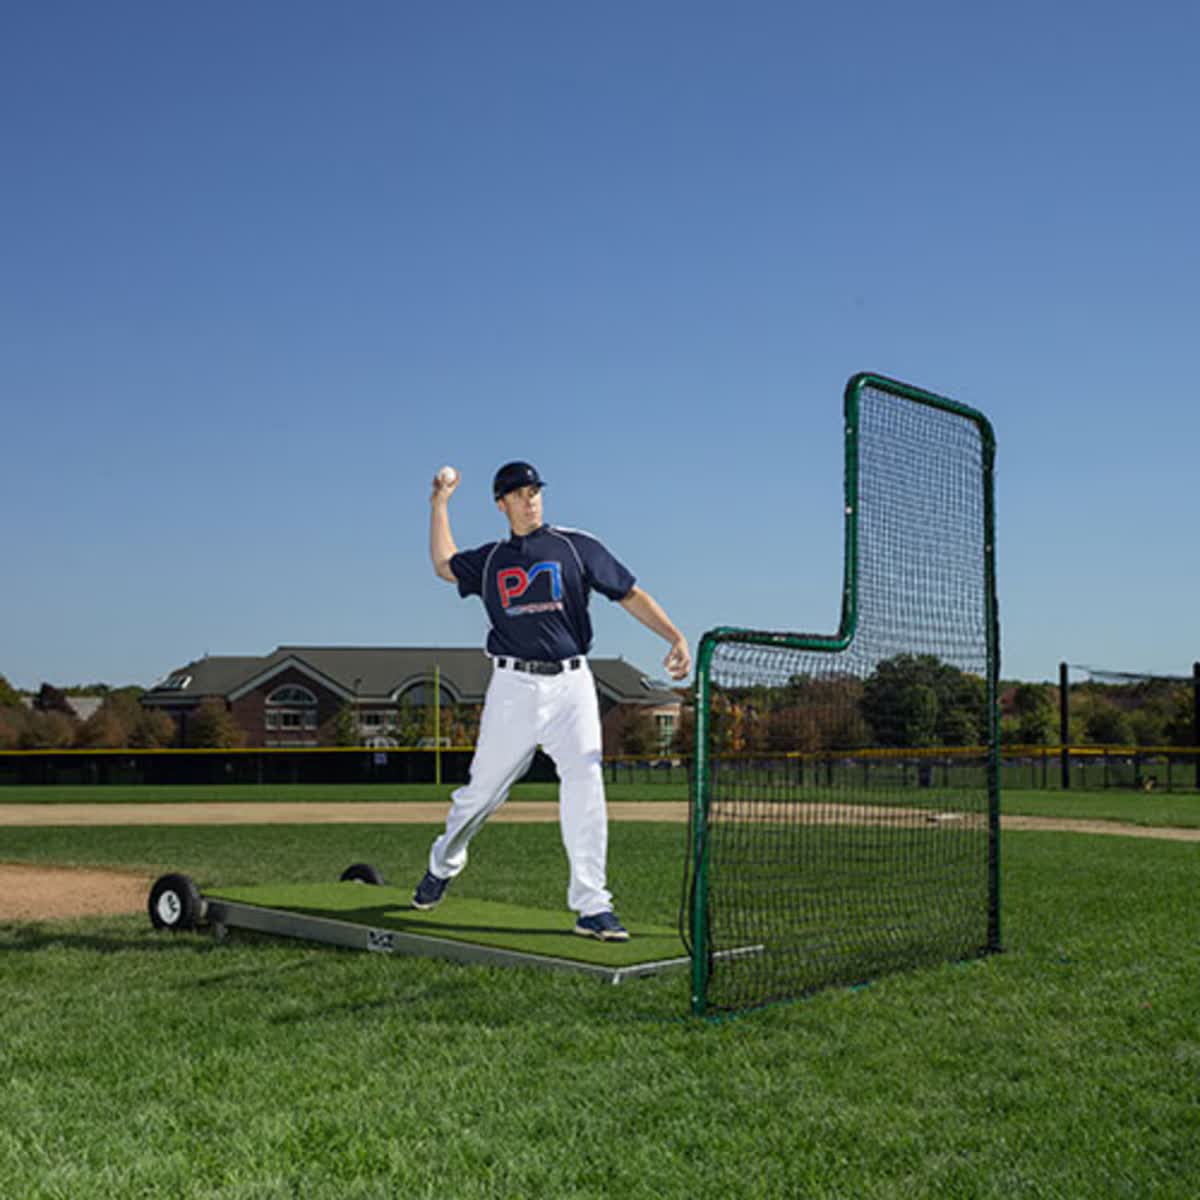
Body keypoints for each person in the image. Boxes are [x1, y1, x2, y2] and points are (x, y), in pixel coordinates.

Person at [413, 460, 691, 940]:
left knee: (586, 781)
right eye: (519, 493)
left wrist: (674, 636)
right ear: (501, 504)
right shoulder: (493, 559)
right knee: (481, 795)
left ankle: (592, 905)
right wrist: (439, 502)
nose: (530, 499)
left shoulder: (574, 546)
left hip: (572, 685)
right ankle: (442, 864)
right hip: (512, 689)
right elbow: (443, 564)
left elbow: (629, 593)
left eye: (535, 490)